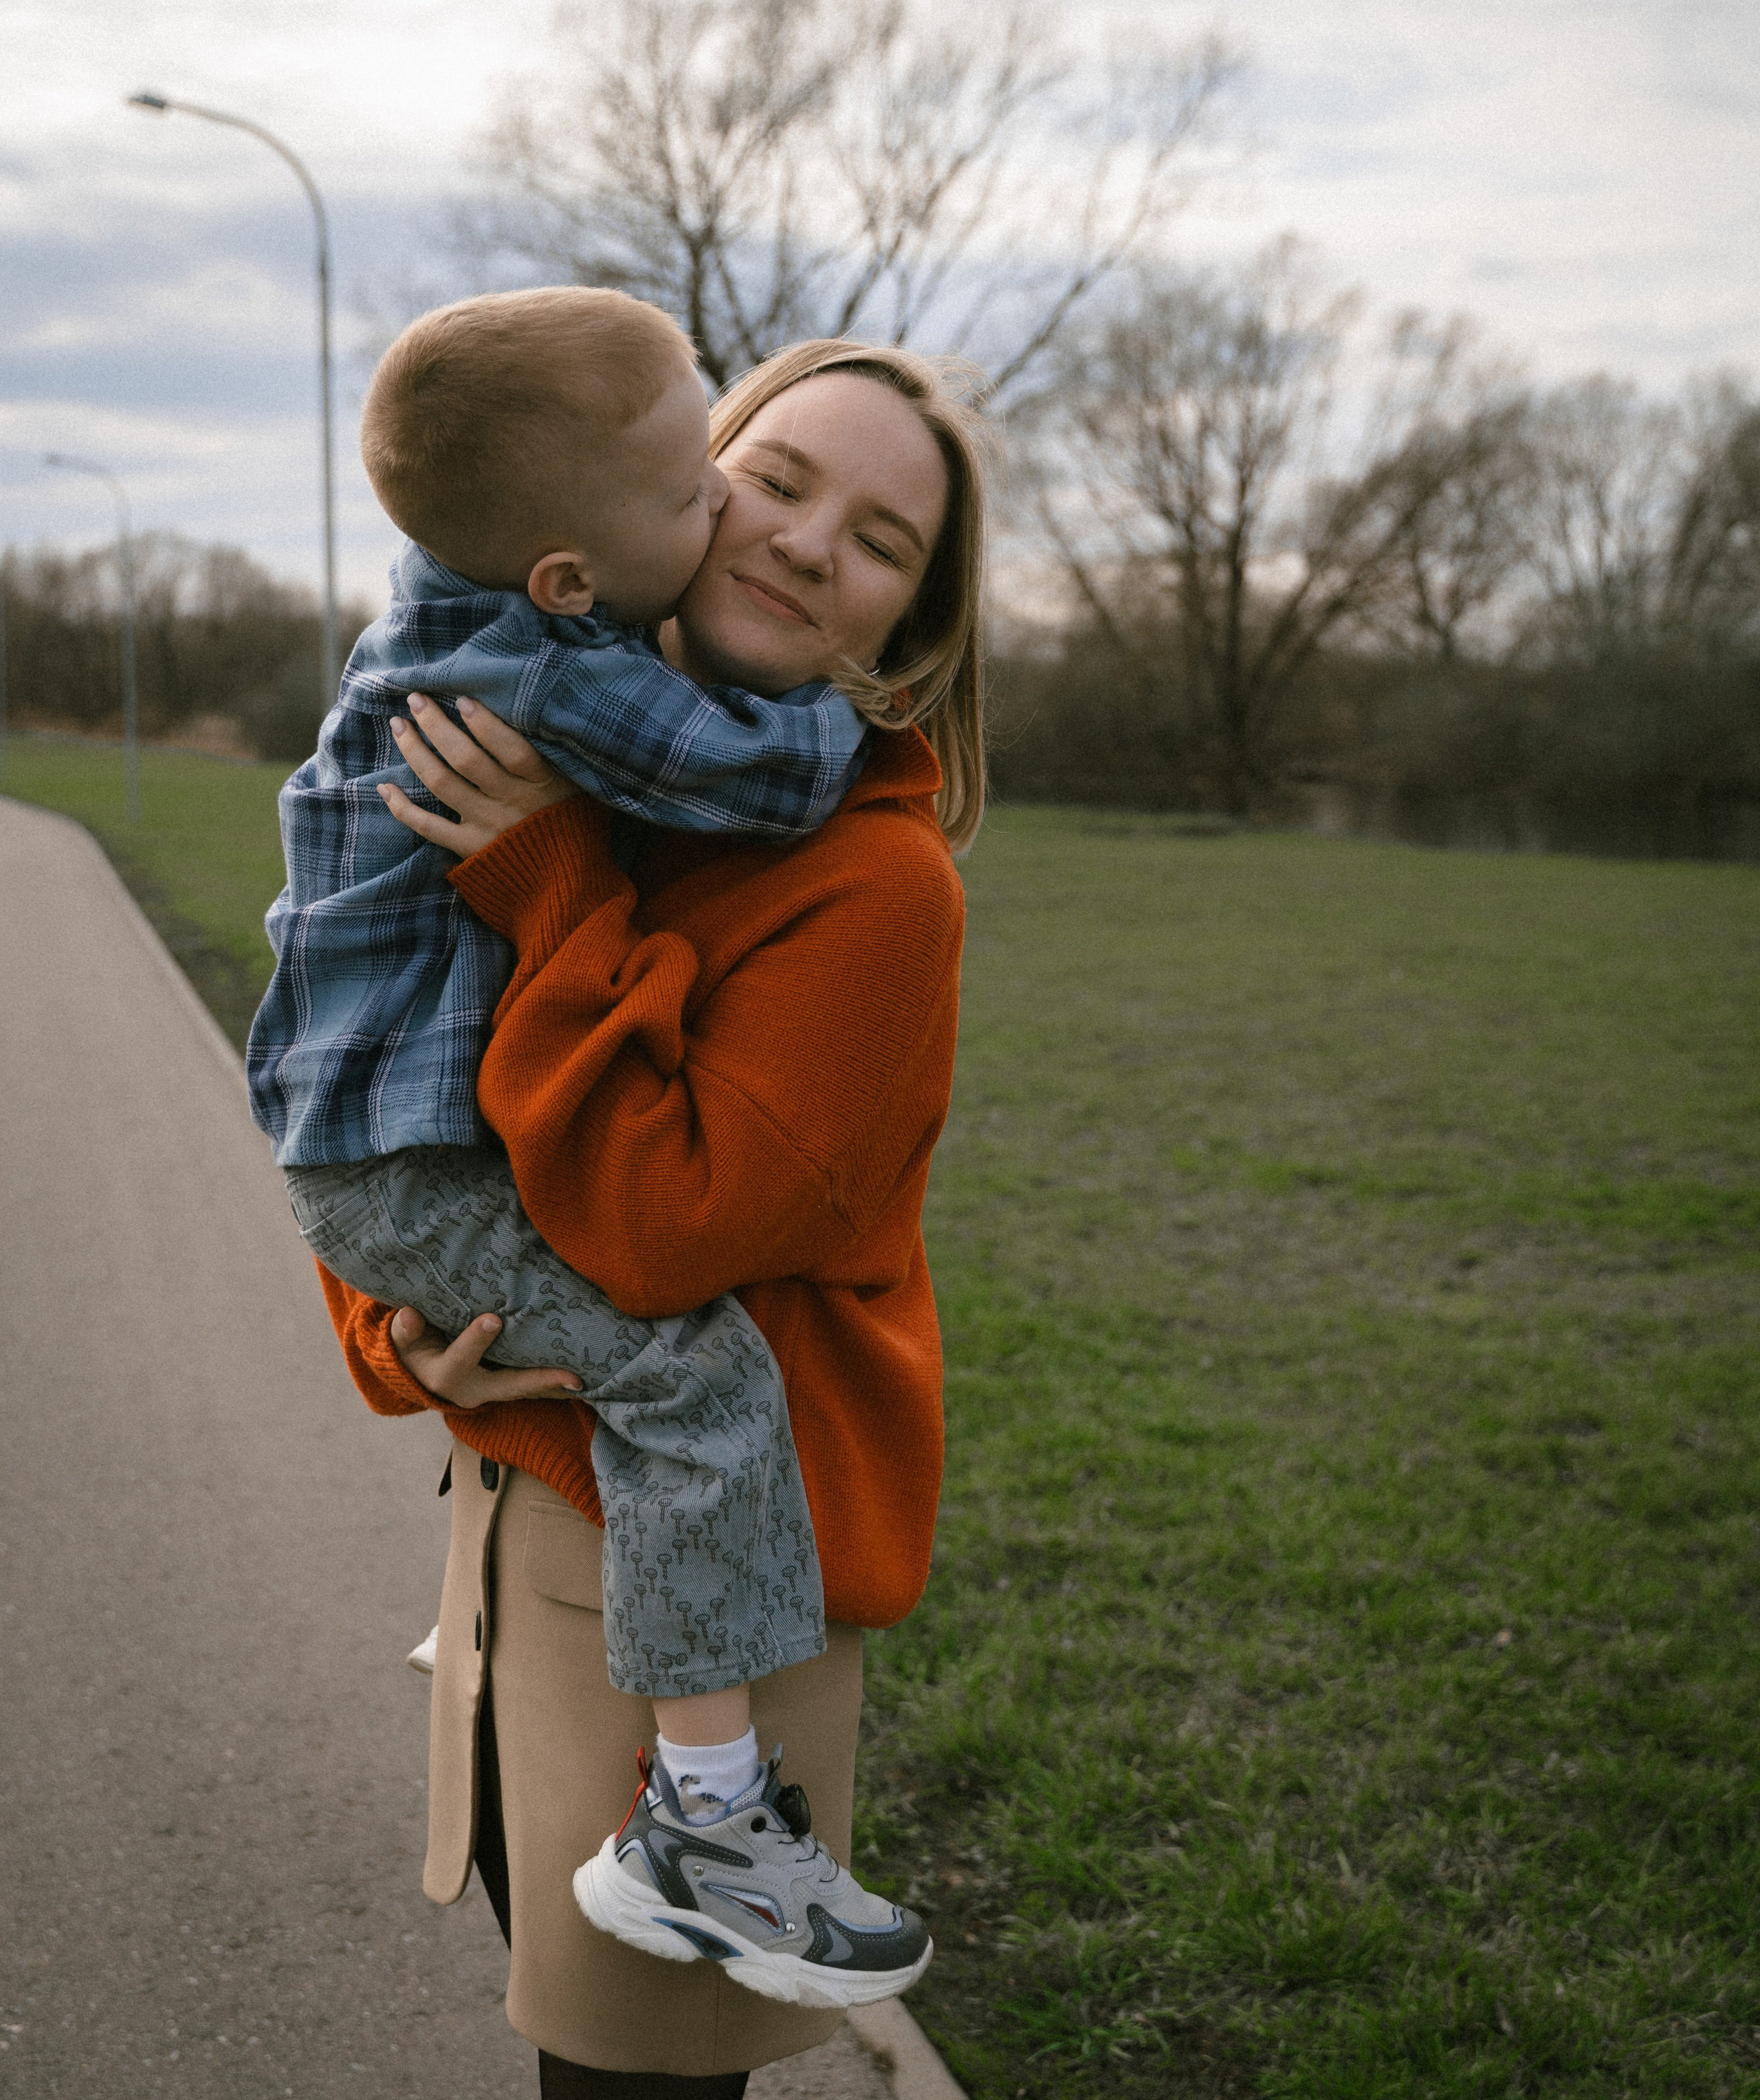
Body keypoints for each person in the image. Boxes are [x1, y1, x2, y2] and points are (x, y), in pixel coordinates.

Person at [320, 338, 987, 2093]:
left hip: (704, 1592)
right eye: (775, 479)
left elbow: (657, 1234)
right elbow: (380, 1099)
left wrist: (545, 883)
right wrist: (404, 1339)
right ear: (683, 488)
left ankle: (719, 1832)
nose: (800, 541)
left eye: (880, 539)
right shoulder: (535, 742)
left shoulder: (872, 886)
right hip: (510, 1549)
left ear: (904, 631)